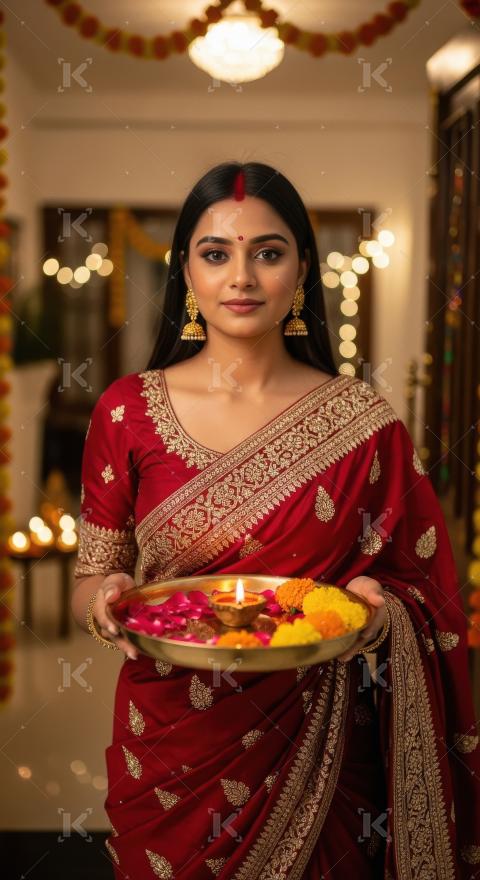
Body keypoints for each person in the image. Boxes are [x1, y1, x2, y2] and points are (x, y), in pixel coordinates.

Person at [72, 161, 480, 879]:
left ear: (301, 270)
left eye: (268, 252)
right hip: (170, 743)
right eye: (216, 253)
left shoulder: (361, 421)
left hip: (321, 741)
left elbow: (425, 590)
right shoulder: (126, 410)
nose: (242, 277)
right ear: (187, 274)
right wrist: (103, 602)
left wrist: (382, 618)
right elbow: (92, 573)